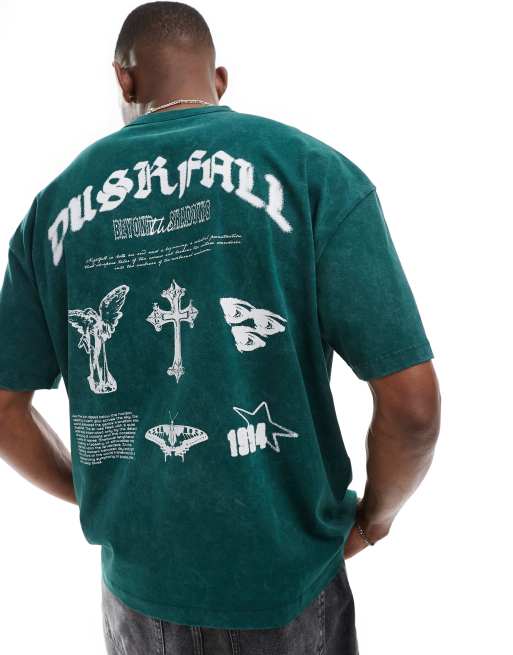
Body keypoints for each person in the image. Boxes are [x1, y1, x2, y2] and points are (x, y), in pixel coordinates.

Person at [0, 2, 441, 654]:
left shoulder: (51, 213)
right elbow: (413, 406)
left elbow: (4, 407)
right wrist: (372, 521)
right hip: (289, 589)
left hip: (137, 599)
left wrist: (103, 495)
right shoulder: (310, 173)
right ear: (219, 81)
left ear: (124, 79)